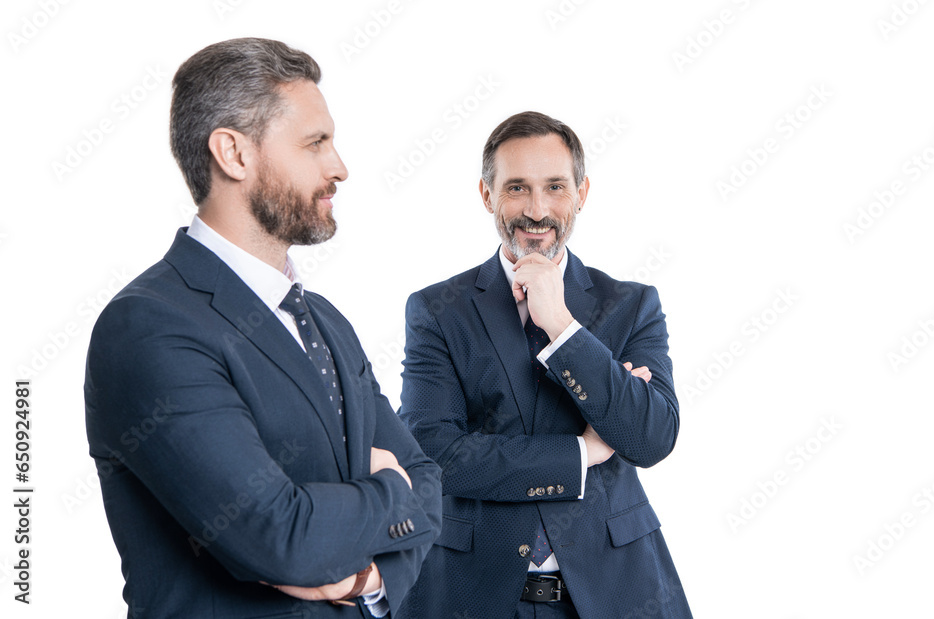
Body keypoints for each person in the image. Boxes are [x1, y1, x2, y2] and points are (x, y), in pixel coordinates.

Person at [84, 38, 441, 618]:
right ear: (234, 153)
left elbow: (428, 479)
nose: (339, 167)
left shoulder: (326, 321)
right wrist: (392, 489)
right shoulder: (149, 326)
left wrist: (366, 579)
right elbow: (280, 538)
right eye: (315, 143)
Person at [395, 111, 692, 618]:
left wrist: (561, 326)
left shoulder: (632, 305)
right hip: (472, 594)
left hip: (615, 594)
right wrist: (583, 451)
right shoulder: (438, 311)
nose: (537, 210)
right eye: (517, 188)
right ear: (487, 195)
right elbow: (434, 456)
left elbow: (650, 438)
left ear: (581, 192)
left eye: (555, 187)